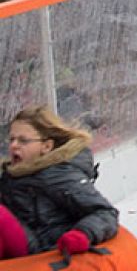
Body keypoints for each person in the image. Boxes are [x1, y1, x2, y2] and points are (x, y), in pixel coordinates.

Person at [0, 106, 119, 260]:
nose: (14, 145)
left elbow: (105, 212)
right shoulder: (12, 174)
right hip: (21, 242)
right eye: (12, 139)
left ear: (46, 146)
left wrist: (82, 234)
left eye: (23, 140)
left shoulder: (58, 175)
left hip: (44, 248)